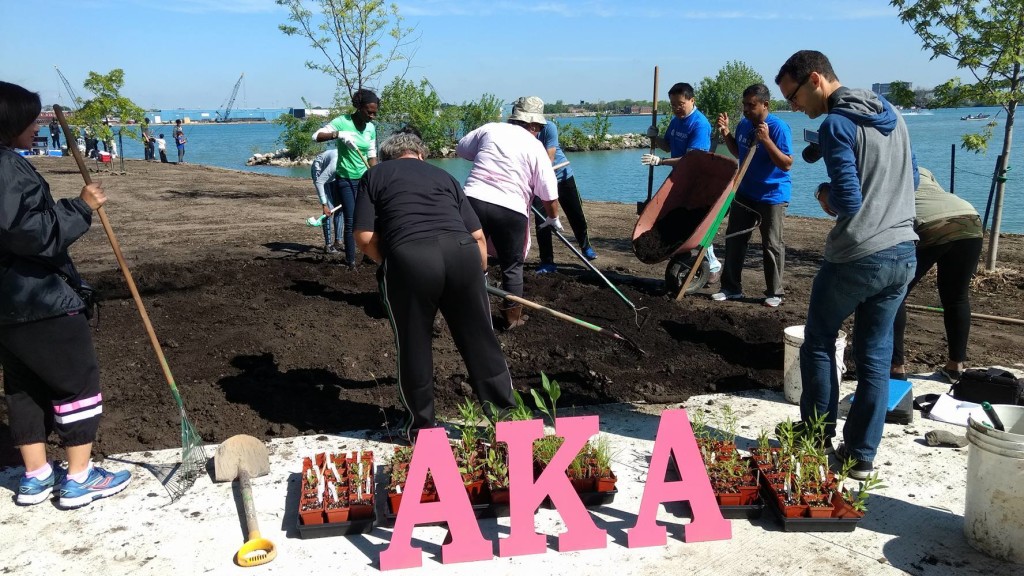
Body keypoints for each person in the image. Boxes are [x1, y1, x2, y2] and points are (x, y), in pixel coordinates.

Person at [775, 50, 917, 480]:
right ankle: (860, 456)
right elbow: (911, 179)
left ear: (815, 79)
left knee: (819, 341)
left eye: (793, 96)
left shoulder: (836, 124)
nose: (794, 107)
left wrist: (824, 195)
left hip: (858, 255)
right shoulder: (892, 114)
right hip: (903, 252)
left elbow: (848, 201)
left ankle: (816, 436)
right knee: (875, 356)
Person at [0, 80, 132, 508]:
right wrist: (80, 206)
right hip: (40, 300)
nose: (37, 126)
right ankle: (79, 477)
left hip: (7, 307)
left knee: (24, 388)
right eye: (30, 119)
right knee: (76, 383)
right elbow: (30, 234)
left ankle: (36, 476)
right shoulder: (7, 168)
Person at [354, 128, 516, 444]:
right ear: (421, 155)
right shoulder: (444, 177)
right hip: (463, 254)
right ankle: (508, 420)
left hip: (411, 257)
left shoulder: (374, 175)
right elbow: (478, 237)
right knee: (481, 340)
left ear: (386, 157)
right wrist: (477, 278)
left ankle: (423, 430)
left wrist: (392, 262)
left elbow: (363, 237)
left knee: (414, 343)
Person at [455, 112, 560, 329]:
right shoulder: (535, 146)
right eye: (539, 128)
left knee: (466, 257)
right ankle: (512, 318)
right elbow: (549, 191)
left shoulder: (490, 128)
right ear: (532, 125)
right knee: (512, 265)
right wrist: (553, 217)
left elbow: (462, 149)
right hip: (510, 207)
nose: (539, 132)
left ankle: (463, 311)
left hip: (473, 199)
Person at [891, 167, 983, 383]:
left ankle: (896, 367)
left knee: (894, 294)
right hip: (968, 217)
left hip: (929, 223)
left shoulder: (883, 167)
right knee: (956, 297)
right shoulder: (922, 169)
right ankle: (955, 366)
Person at [713, 83, 793, 307]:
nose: (746, 109)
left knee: (772, 244)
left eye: (751, 105)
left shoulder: (778, 128)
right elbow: (739, 152)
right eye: (744, 105)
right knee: (735, 239)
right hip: (745, 191)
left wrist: (766, 140)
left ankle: (775, 292)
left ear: (765, 104)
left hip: (772, 194)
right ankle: (731, 288)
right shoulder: (744, 124)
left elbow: (787, 163)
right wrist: (726, 133)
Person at [641, 82, 721, 279]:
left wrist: (660, 161)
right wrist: (655, 138)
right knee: (679, 220)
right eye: (673, 105)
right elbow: (668, 146)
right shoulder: (676, 121)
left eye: (680, 104)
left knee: (696, 222)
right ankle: (687, 258)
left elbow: (692, 160)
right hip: (679, 178)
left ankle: (712, 264)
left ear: (692, 100)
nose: (676, 108)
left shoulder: (699, 124)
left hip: (697, 181)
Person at [510, 96, 597, 274]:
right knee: (542, 222)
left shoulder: (548, 128)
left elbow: (549, 157)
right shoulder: (515, 133)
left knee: (576, 215)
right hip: (537, 182)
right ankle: (547, 261)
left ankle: (585, 246)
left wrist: (536, 175)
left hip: (562, 176)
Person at [313, 88, 379, 269]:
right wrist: (338, 134)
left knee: (370, 218)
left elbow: (372, 154)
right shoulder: (342, 122)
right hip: (346, 179)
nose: (372, 116)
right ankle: (351, 262)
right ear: (359, 107)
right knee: (351, 220)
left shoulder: (371, 128)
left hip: (365, 180)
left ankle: (368, 255)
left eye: (375, 113)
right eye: (369, 112)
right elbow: (316, 136)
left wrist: (376, 174)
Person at [311, 148, 342, 254]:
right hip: (320, 170)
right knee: (329, 209)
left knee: (340, 207)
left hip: (335, 175)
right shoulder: (335, 163)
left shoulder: (352, 162)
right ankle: (328, 245)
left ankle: (338, 241)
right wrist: (324, 204)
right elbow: (319, 182)